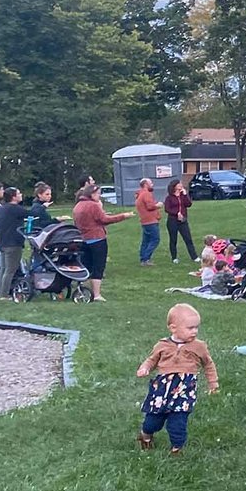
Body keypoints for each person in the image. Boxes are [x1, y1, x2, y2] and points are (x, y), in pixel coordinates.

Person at [135, 304, 219, 454]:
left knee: (178, 422)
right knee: (153, 420)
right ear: (173, 328)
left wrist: (213, 383)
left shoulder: (199, 346)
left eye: (196, 327)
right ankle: (145, 435)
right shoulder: (162, 345)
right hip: (162, 390)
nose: (195, 331)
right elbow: (151, 359)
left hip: (184, 390)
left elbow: (208, 364)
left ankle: (177, 448)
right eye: (190, 328)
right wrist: (145, 368)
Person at [72, 184, 130, 302]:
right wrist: (123, 216)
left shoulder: (78, 206)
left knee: (86, 265)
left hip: (84, 240)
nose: (100, 196)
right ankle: (97, 294)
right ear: (92, 194)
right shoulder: (93, 205)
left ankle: (84, 289)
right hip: (97, 239)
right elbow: (104, 220)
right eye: (98, 193)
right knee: (98, 267)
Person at [0, 187, 32, 301]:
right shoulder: (15, 209)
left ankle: (1, 291)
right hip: (13, 243)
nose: (21, 195)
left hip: (2, 242)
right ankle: (4, 295)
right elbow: (30, 213)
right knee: (10, 270)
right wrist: (42, 207)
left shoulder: (1, 209)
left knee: (4, 269)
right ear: (13, 197)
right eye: (19, 193)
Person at [163, 179, 194, 264]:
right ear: (175, 186)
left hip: (183, 221)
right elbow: (167, 209)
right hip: (172, 221)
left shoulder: (182, 195)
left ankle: (194, 256)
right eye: (179, 184)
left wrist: (185, 194)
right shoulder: (169, 198)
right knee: (173, 239)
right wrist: (176, 213)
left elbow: (189, 204)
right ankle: (174, 257)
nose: (181, 185)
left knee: (188, 238)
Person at [135, 178, 162, 266]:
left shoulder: (140, 194)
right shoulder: (146, 194)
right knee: (155, 239)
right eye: (151, 183)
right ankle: (146, 258)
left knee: (146, 241)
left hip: (144, 221)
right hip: (151, 221)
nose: (152, 184)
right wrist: (158, 205)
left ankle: (143, 259)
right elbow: (150, 206)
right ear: (146, 184)